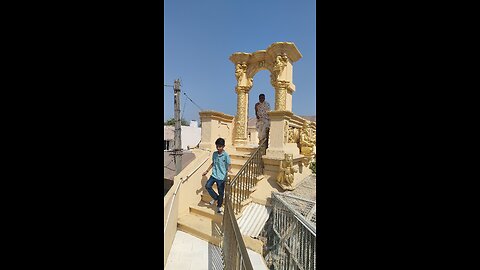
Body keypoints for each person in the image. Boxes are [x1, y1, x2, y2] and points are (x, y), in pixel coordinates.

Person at [202, 138, 232, 214]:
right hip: (214, 174)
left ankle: (219, 206)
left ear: (223, 146)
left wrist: (229, 170)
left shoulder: (226, 155)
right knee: (208, 186)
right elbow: (213, 163)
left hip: (222, 177)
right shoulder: (214, 154)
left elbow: (229, 165)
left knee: (221, 192)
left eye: (220, 146)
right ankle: (216, 198)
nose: (218, 148)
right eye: (217, 146)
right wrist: (207, 171)